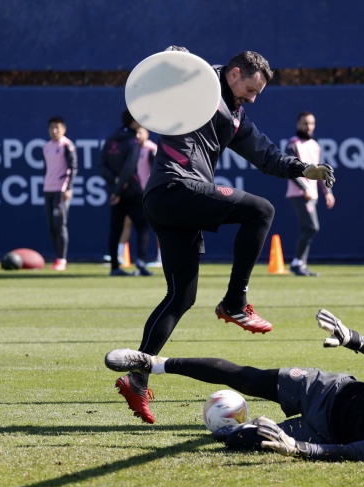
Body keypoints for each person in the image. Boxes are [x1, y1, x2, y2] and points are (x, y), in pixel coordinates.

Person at [114, 47, 335, 424]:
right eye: (250, 88)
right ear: (233, 74)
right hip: (174, 187)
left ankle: (136, 379)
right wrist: (176, 59)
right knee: (262, 210)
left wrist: (303, 168)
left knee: (180, 297)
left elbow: (265, 154)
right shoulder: (195, 83)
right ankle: (234, 303)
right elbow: (167, 74)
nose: (253, 97)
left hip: (171, 202)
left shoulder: (234, 115)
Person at [105, 309, 364, 461]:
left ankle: (233, 429)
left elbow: (353, 452)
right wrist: (352, 338)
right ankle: (152, 363)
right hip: (327, 388)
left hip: (324, 435)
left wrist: (298, 449)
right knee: (245, 376)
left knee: (240, 440)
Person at [98, 110, 152, 277]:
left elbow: (101, 167)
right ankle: (141, 262)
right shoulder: (133, 142)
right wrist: (120, 188)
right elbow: (129, 168)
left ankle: (114, 266)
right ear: (132, 122)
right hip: (132, 192)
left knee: (115, 230)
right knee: (142, 227)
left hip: (116, 194)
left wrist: (115, 188)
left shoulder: (111, 139)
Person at [285, 111, 335, 276]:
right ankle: (298, 263)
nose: (309, 126)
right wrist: (304, 188)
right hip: (299, 194)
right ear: (298, 124)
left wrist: (327, 191)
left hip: (312, 194)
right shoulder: (292, 144)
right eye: (306, 123)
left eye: (312, 123)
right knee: (312, 227)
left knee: (308, 228)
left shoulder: (314, 145)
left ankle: (300, 263)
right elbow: (289, 170)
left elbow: (320, 172)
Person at [116, 126, 160, 267]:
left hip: (150, 194)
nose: (138, 135)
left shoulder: (151, 149)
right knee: (127, 222)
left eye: (141, 132)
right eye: (136, 133)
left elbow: (156, 172)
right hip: (135, 194)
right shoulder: (131, 149)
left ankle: (161, 258)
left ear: (147, 133)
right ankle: (119, 257)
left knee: (158, 225)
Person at [42, 116, 78, 271]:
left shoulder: (67, 145)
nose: (54, 131)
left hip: (61, 190)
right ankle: (57, 258)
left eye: (57, 128)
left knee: (60, 224)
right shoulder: (47, 147)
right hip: (48, 189)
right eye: (51, 128)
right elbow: (47, 168)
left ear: (64, 129)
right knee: (51, 226)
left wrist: (68, 188)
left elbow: (73, 167)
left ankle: (62, 259)